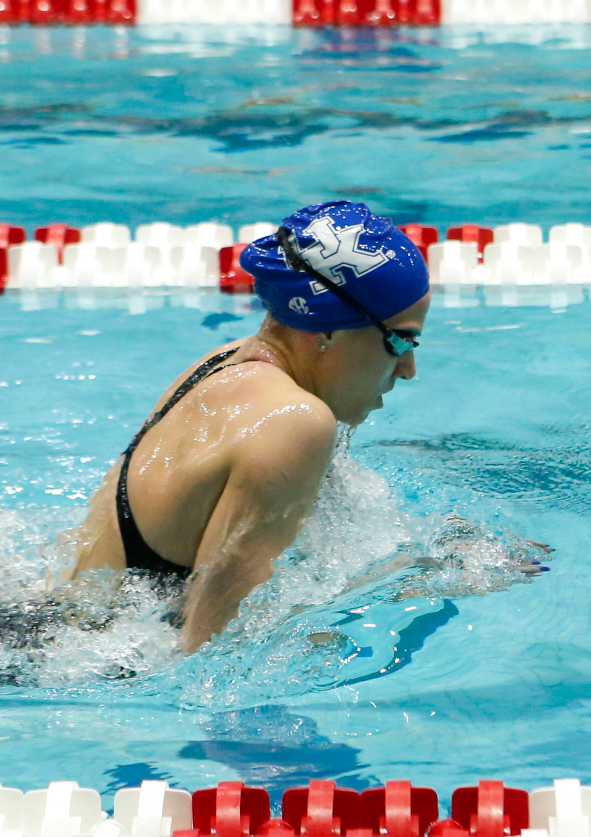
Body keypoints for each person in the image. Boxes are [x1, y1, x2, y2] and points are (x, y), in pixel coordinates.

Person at [69, 201, 433, 653]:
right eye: (400, 340)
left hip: (50, 630)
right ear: (327, 330)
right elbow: (218, 651)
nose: (408, 368)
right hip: (81, 674)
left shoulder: (224, 362)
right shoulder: (295, 423)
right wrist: (416, 586)